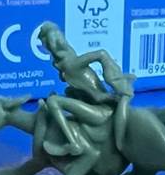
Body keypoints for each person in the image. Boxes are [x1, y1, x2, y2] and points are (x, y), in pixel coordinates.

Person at [36, 23, 134, 156]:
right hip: (94, 105)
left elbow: (101, 54)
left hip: (102, 111)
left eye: (47, 45)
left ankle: (74, 144)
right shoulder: (67, 68)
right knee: (67, 93)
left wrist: (115, 80)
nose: (49, 49)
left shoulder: (73, 64)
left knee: (54, 101)